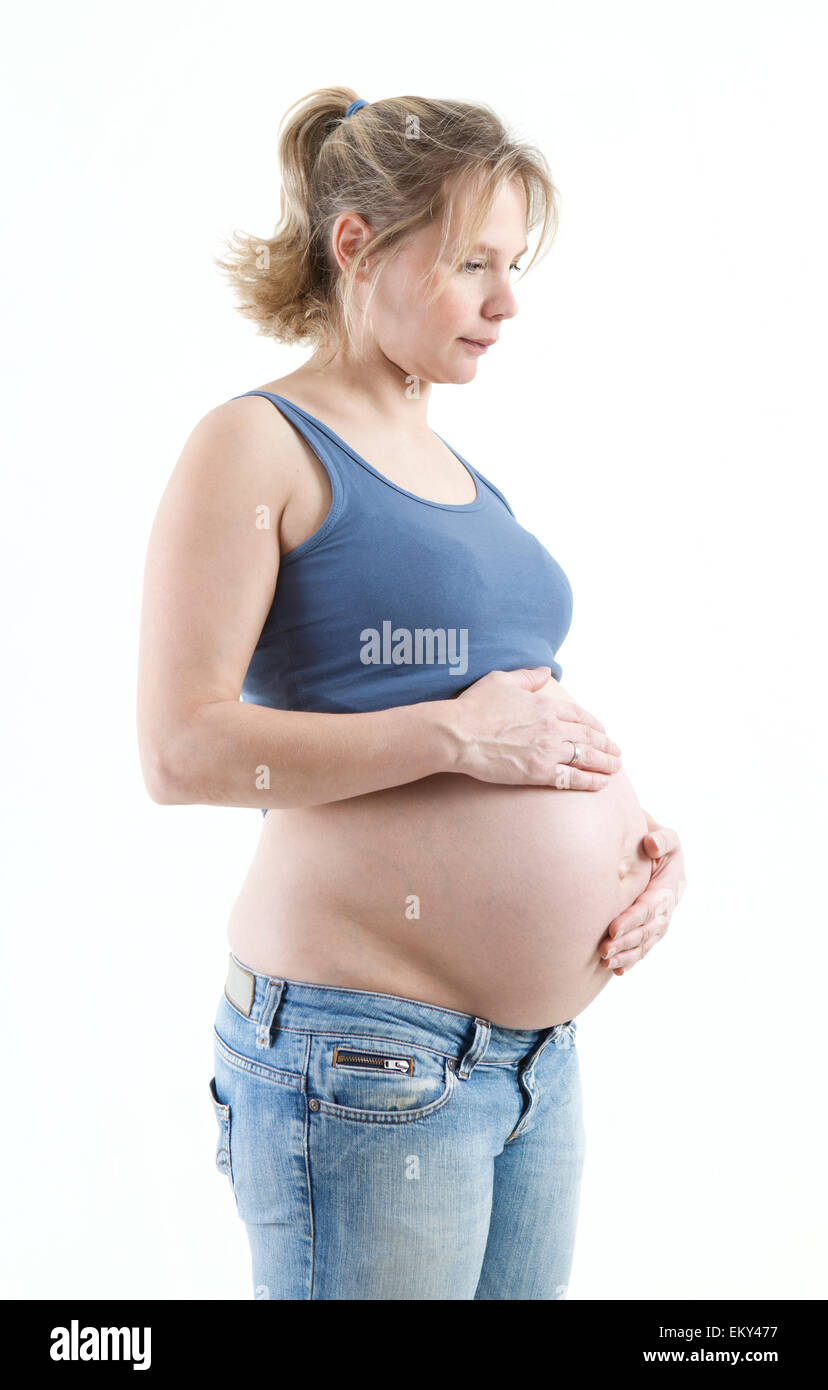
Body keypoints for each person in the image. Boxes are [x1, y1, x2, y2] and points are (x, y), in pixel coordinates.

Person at [137, 87, 687, 1300]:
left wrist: (643, 851)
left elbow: (526, 713)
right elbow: (182, 751)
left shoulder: (458, 468)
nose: (507, 302)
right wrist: (452, 738)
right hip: (366, 1057)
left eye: (515, 265)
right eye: (472, 264)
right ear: (357, 248)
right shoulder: (259, 442)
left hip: (532, 1062)